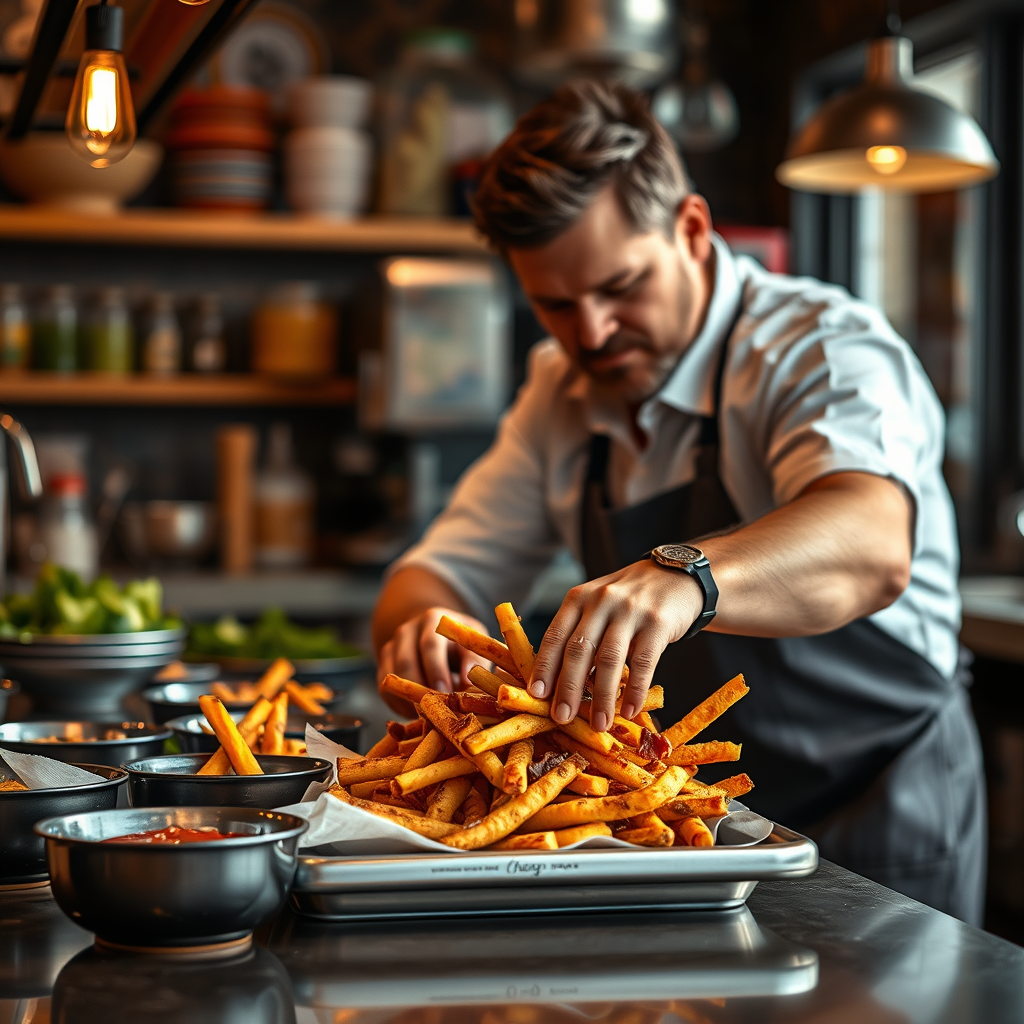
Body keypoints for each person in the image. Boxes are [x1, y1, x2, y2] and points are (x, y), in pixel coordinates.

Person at [371, 79, 985, 923]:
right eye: (554, 304)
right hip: (680, 833)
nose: (589, 332)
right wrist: (421, 640)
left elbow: (872, 538)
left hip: (878, 806)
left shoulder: (818, 348)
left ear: (692, 231)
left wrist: (686, 575)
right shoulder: (561, 393)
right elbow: (435, 572)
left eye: (620, 286)